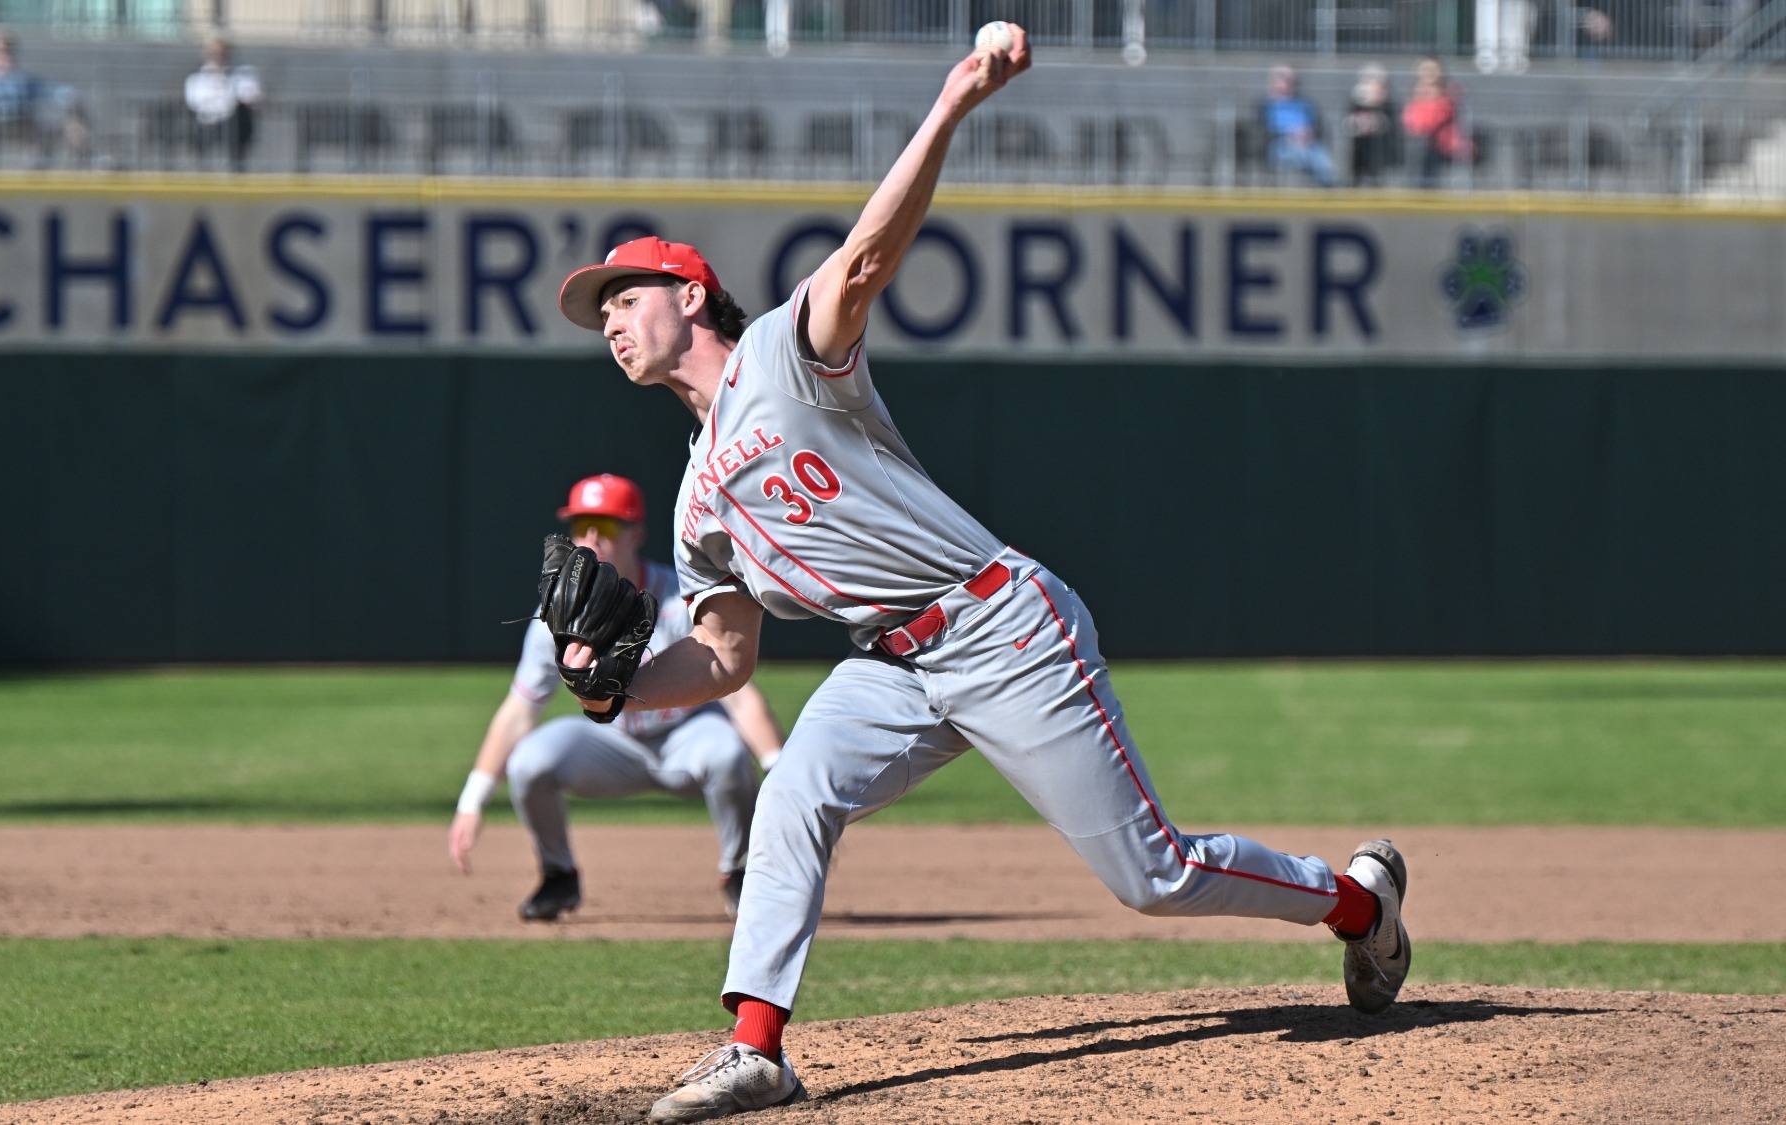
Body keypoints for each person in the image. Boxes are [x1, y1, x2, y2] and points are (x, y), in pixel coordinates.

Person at [550, 23, 1412, 1123]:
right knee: (793, 793)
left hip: (1002, 627)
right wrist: (615, 684)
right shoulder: (691, 501)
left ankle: (1357, 904)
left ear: (688, 294)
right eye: (601, 313)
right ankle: (756, 1046)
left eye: (624, 299)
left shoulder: (778, 354)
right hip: (892, 667)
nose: (610, 323)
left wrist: (954, 99)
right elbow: (720, 660)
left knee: (1150, 876)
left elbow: (863, 256)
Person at [449, 473, 785, 922]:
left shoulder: (681, 600)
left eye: (606, 526)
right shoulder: (556, 615)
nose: (592, 538)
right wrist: (472, 801)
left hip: (685, 735)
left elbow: (741, 699)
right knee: (529, 761)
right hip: (610, 745)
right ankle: (558, 875)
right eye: (582, 525)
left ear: (637, 533)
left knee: (726, 751)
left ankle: (739, 871)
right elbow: (518, 709)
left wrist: (781, 777)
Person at [0, 27, 51, 167]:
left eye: (7, 51)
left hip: (20, 121)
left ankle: (36, 168)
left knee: (43, 127)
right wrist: (1, 76)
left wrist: (71, 95)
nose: (4, 55)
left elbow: (47, 90)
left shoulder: (22, 78)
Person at [184, 35, 263, 172]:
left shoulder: (243, 72)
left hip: (235, 122)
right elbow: (195, 101)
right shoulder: (196, 76)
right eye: (213, 53)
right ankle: (203, 170)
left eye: (222, 53)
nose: (218, 57)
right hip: (208, 122)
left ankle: (235, 167)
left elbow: (252, 96)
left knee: (238, 121)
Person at [1263, 63, 1337, 188]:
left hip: (1307, 143)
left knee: (1318, 154)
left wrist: (1307, 133)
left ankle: (1332, 187)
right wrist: (1290, 134)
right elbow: (1264, 129)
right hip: (1280, 144)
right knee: (1303, 154)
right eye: (1283, 78)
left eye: (1290, 79)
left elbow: (1315, 125)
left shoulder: (1304, 104)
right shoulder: (1267, 105)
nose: (1287, 82)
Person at [1402, 57, 1470, 188]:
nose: (1428, 75)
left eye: (1432, 70)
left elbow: (1436, 120)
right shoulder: (1414, 98)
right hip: (1419, 142)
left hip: (1443, 144)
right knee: (1418, 145)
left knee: (1425, 146)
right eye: (1425, 70)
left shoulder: (1448, 95)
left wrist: (1431, 99)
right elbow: (1409, 121)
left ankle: (1426, 187)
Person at [1346, 62, 1399, 187]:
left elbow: (1388, 125)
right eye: (1369, 81)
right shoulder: (1355, 105)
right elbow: (1349, 124)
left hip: (1381, 150)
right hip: (1359, 148)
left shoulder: (1389, 107)